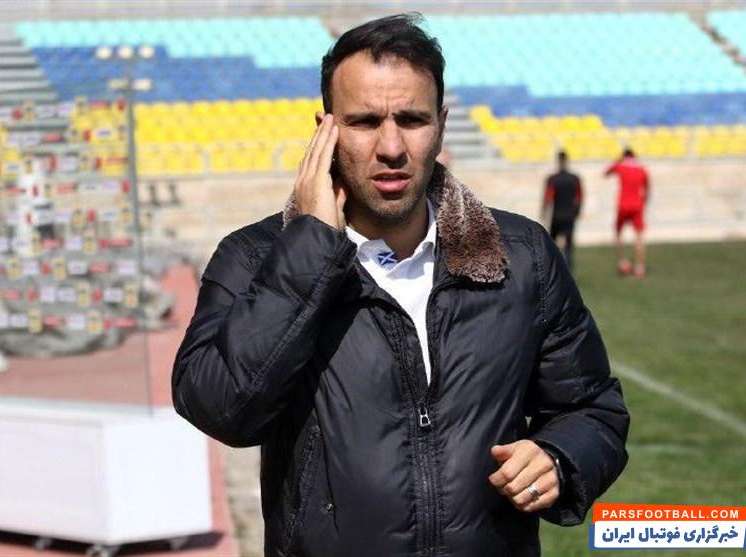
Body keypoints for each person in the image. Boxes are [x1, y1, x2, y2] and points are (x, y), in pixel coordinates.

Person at [172, 14, 629, 557]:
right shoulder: (255, 258)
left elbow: (593, 407)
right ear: (325, 130)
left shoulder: (521, 254)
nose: (391, 146)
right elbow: (221, 409)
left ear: (441, 125)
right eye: (365, 121)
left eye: (411, 119)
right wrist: (310, 250)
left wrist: (559, 456)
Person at [605, 148, 650, 278]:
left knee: (618, 234)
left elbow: (606, 173)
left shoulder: (621, 166)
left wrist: (618, 160)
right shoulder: (642, 169)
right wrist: (643, 203)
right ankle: (639, 267)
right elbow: (647, 190)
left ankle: (623, 263)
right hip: (637, 205)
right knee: (639, 237)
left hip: (623, 205)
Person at [541, 149, 583, 270]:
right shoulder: (574, 178)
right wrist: (577, 211)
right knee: (568, 246)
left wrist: (544, 212)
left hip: (557, 216)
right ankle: (568, 270)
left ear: (558, 161)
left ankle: (551, 268)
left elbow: (548, 198)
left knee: (552, 245)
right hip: (569, 216)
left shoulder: (553, 179)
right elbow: (579, 197)